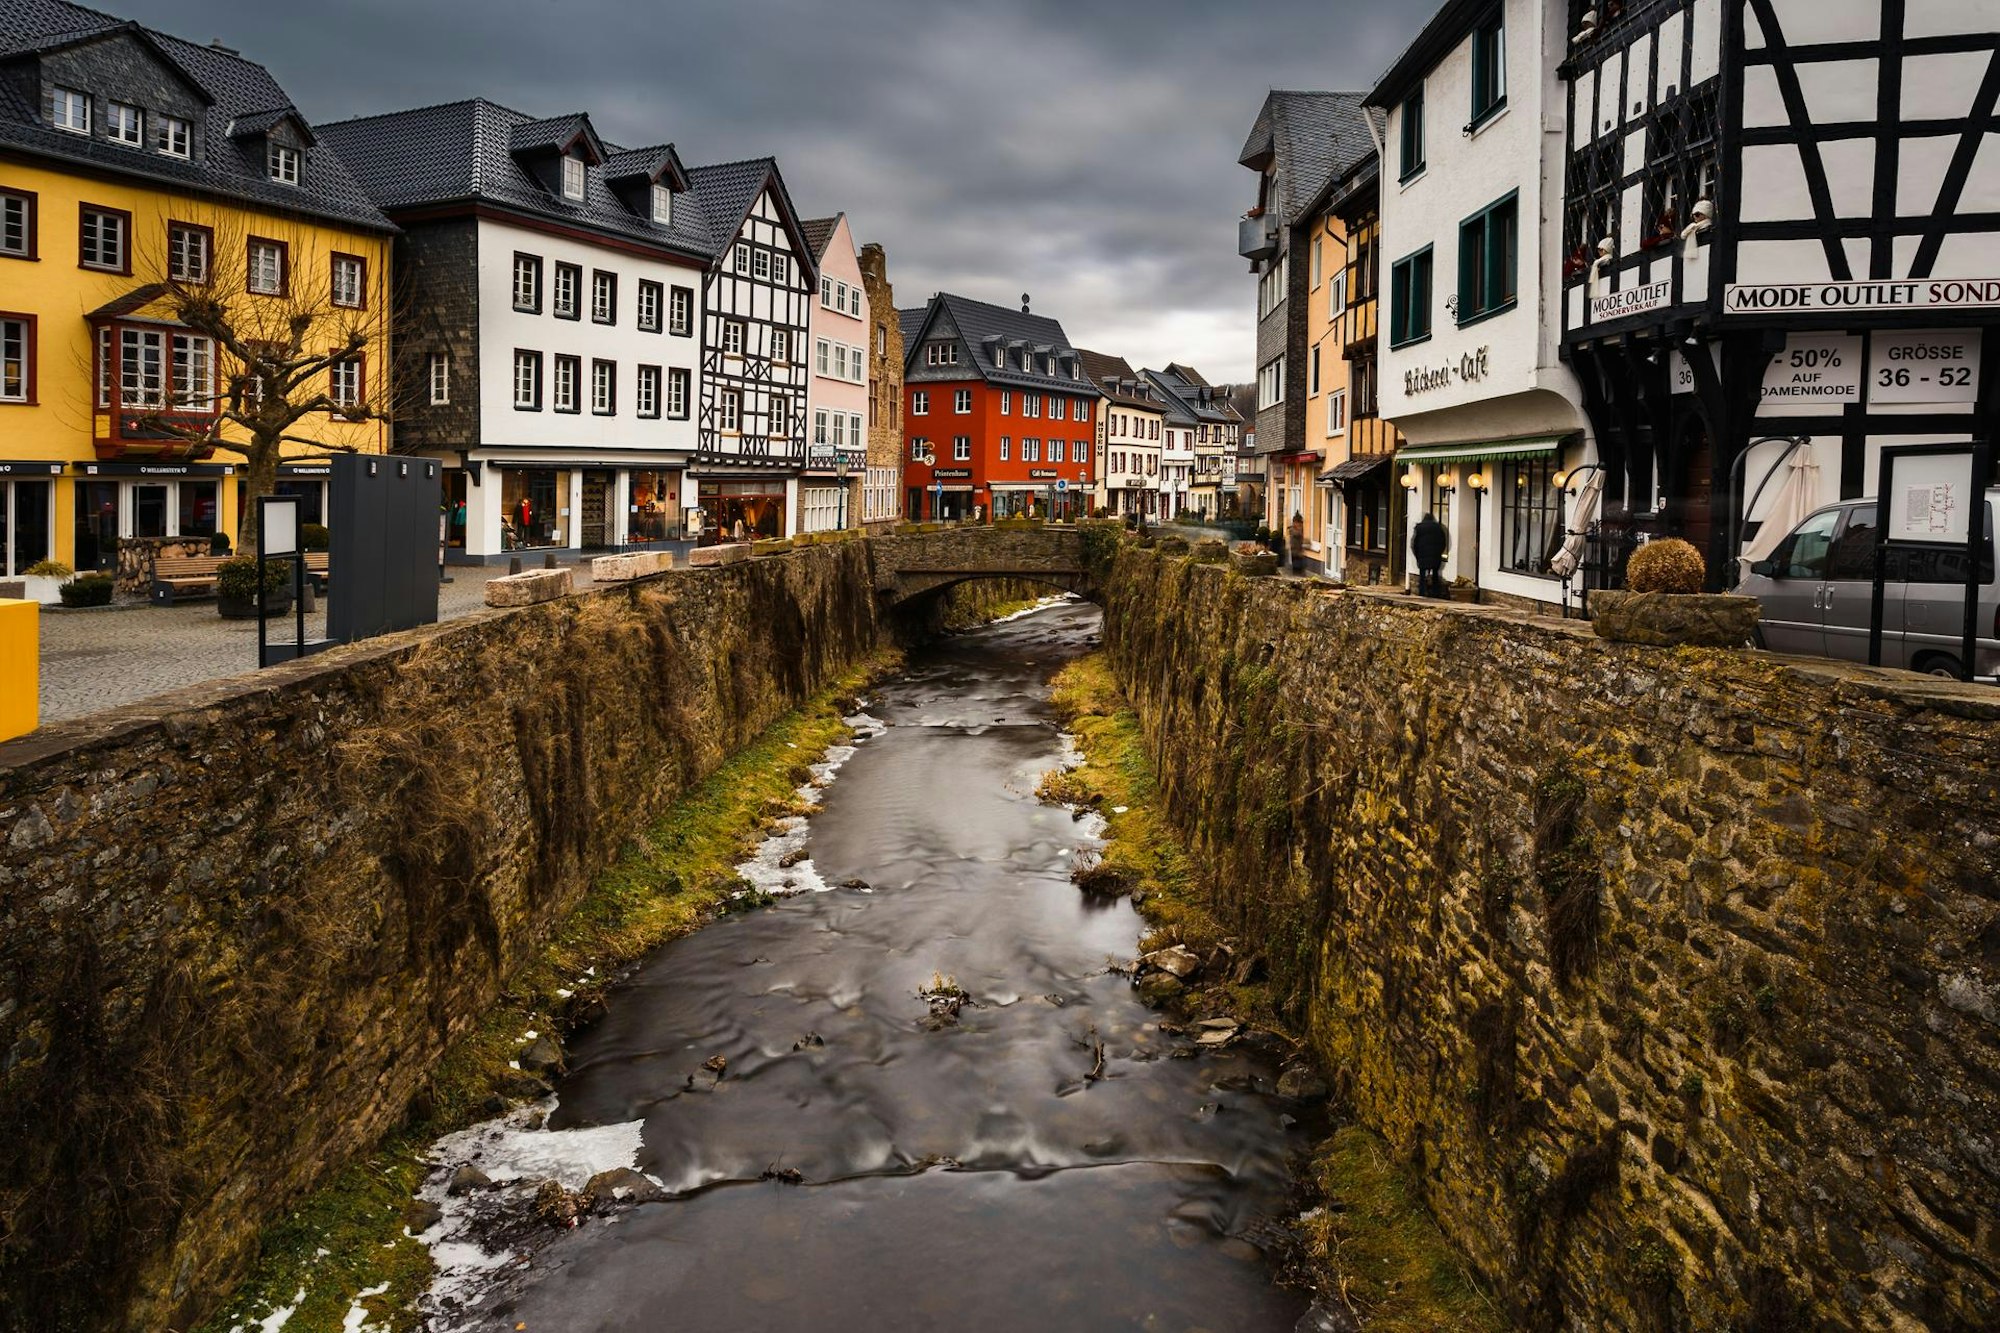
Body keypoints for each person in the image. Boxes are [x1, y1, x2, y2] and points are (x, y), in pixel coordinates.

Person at [1412, 511, 1449, 597]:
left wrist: (1417, 556)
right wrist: (1440, 552)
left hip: (1422, 555)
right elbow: (1443, 541)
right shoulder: (1439, 528)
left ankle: (1422, 591)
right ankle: (1435, 592)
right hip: (1435, 555)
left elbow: (1414, 543)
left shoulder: (1419, 528)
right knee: (1435, 574)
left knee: (1422, 575)